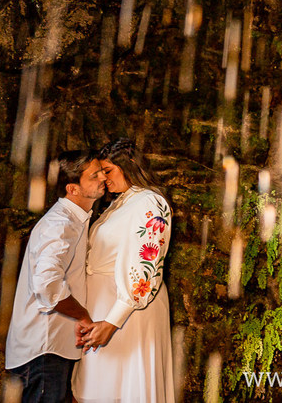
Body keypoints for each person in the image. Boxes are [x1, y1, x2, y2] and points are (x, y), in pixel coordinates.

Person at [72, 139, 175, 403]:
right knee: (99, 387)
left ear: (128, 167)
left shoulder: (150, 202)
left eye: (109, 171)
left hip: (129, 313)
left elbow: (146, 268)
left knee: (120, 388)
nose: (104, 178)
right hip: (104, 307)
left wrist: (112, 321)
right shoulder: (121, 202)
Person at [5, 150, 107, 403]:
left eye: (102, 171)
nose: (103, 177)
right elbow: (47, 285)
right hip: (43, 350)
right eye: (94, 175)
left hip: (50, 350)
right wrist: (83, 315)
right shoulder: (61, 224)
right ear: (72, 188)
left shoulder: (75, 220)